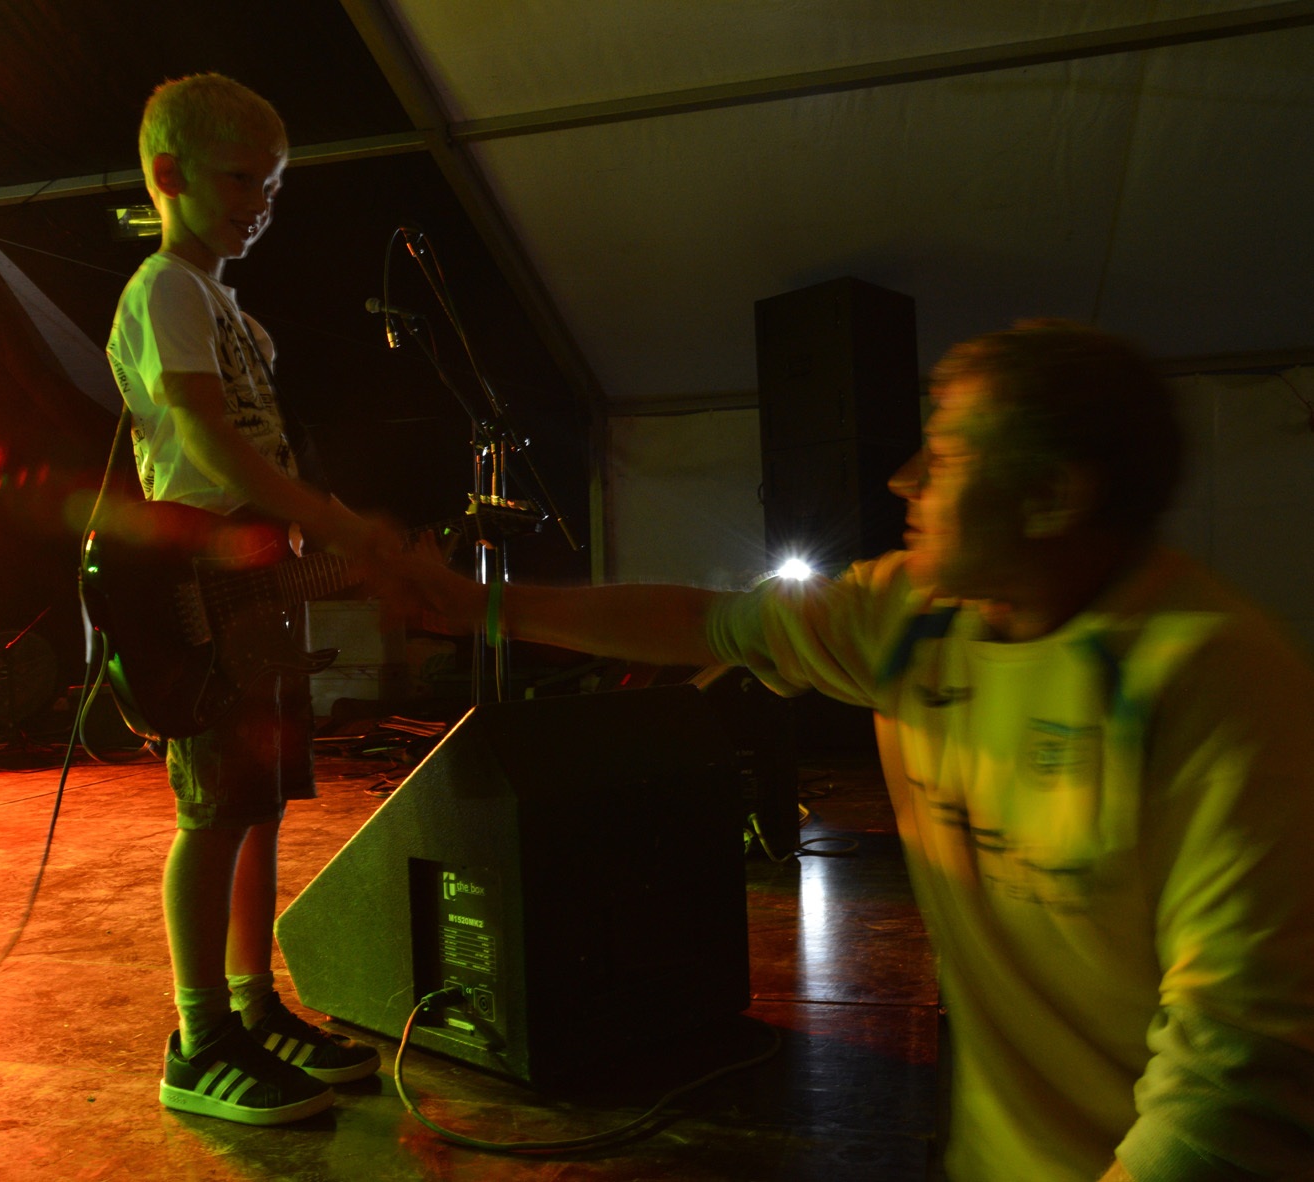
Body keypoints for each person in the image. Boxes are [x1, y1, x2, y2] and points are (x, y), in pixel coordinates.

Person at [397, 320, 1314, 1180]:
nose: (903, 480)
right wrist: (476, 606)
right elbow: (705, 624)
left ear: (1050, 497)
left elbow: (1234, 1079)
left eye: (944, 459)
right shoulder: (913, 615)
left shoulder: (1211, 685)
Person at [104, 72, 386, 1126]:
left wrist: (311, 530)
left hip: (257, 578)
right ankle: (199, 1039)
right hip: (204, 583)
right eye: (238, 179)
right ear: (167, 174)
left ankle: (253, 1005)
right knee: (214, 812)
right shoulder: (165, 289)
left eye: (271, 186)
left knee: (258, 808)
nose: (258, 203)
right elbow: (207, 440)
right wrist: (330, 516)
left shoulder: (237, 315)